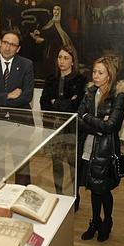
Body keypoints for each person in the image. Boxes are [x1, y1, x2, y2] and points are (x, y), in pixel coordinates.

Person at [78, 56, 124, 242]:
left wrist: (89, 118)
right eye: (94, 72)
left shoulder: (118, 95)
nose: (96, 75)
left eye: (100, 72)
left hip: (106, 150)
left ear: (110, 75)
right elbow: (78, 118)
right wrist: (98, 122)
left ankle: (107, 221)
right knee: (93, 188)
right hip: (88, 147)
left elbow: (111, 127)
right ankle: (95, 221)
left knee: (104, 189)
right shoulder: (89, 92)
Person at [0, 30, 35, 185]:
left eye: (12, 44)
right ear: (0, 43)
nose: (7, 47)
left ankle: (21, 199)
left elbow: (26, 96)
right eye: (5, 42)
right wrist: (8, 96)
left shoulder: (26, 65)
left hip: (20, 123)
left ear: (18, 48)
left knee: (22, 166)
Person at [39, 45, 87, 196]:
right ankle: (59, 194)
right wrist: (64, 102)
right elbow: (44, 102)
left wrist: (56, 102)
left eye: (66, 58)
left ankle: (75, 195)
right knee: (57, 164)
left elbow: (76, 105)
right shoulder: (51, 79)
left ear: (73, 61)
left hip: (73, 128)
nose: (62, 61)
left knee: (73, 164)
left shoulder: (80, 79)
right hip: (55, 128)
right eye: (60, 57)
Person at [31, 5, 74, 77]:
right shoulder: (50, 22)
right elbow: (47, 32)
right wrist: (38, 32)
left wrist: (44, 40)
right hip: (47, 50)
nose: (55, 11)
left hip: (56, 51)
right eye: (54, 9)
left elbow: (58, 38)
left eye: (57, 9)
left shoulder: (63, 24)